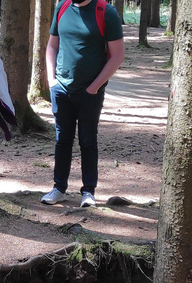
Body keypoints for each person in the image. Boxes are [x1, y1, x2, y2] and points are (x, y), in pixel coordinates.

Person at [42, 0, 125, 208]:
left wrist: (94, 87)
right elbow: (52, 45)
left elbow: (117, 55)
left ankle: (88, 192)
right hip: (61, 88)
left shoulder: (106, 12)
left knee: (88, 140)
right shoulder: (62, 7)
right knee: (62, 139)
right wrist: (52, 81)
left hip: (90, 91)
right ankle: (59, 188)